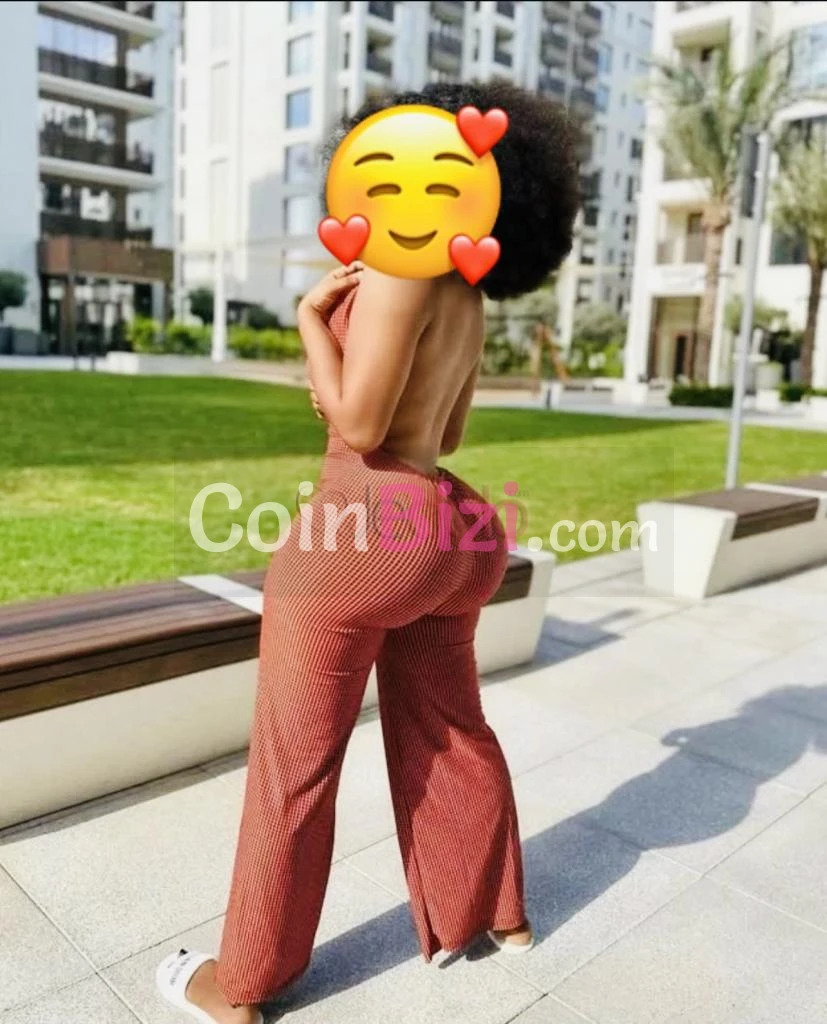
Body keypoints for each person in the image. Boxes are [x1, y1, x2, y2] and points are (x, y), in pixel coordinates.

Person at [156, 80, 579, 1024]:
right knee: (453, 726)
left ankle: (242, 984)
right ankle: (499, 914)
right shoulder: (467, 293)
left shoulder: (395, 269)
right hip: (453, 533)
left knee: (294, 767)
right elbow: (449, 434)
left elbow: (358, 422)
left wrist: (311, 324)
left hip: (364, 533)